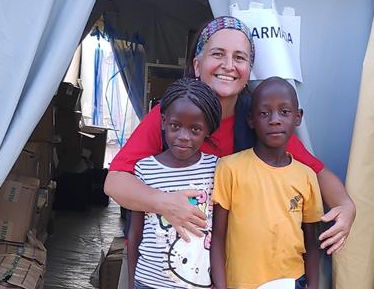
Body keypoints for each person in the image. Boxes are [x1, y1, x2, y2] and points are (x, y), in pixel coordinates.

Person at [105, 16, 355, 255]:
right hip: (164, 264)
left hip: (235, 266)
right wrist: (162, 202)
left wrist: (346, 205)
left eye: (239, 57)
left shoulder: (260, 120)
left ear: (248, 71)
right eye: (217, 54)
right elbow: (115, 181)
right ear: (197, 65)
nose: (228, 65)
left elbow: (317, 172)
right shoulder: (170, 114)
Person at [211, 77, 321, 289]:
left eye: (284, 112)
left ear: (297, 117)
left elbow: (311, 241)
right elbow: (217, 237)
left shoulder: (306, 176)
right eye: (264, 113)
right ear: (251, 120)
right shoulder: (230, 168)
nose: (274, 120)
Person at [127, 78, 222, 289]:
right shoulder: (144, 169)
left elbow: (221, 235)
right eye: (175, 126)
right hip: (149, 287)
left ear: (208, 130)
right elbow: (135, 234)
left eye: (195, 129)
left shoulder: (217, 169)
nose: (183, 136)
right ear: (163, 122)